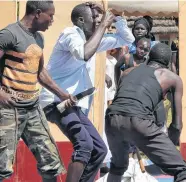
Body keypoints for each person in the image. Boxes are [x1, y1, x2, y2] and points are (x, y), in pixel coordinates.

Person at [40, 2, 135, 182]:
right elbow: (82, 54)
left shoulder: (92, 41)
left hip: (72, 105)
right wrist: (104, 26)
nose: (99, 23)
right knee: (84, 145)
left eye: (100, 20)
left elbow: (127, 40)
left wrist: (116, 18)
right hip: (55, 101)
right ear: (81, 20)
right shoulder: (71, 34)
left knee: (99, 149)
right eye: (95, 19)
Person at [0, 1, 73, 181]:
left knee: (51, 162)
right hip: (10, 109)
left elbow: (39, 72)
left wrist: (62, 93)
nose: (52, 20)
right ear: (38, 13)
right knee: (2, 167)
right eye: (50, 16)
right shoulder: (9, 34)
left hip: (33, 108)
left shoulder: (38, 38)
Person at [105, 43, 186, 182]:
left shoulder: (128, 72)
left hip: (111, 119)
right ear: (168, 62)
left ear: (149, 57)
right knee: (183, 171)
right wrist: (169, 147)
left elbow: (124, 100)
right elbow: (176, 126)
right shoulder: (172, 78)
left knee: (117, 167)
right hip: (139, 120)